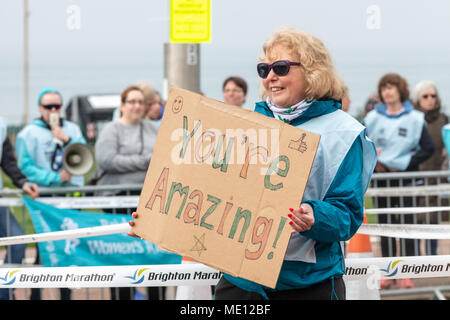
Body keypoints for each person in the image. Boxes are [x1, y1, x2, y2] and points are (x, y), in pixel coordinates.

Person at [129, 27, 377, 300]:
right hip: (242, 281)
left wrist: (315, 216)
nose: (271, 76)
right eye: (264, 69)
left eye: (281, 67)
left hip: (308, 282)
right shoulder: (246, 124)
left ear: (312, 70)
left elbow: (348, 214)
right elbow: (211, 194)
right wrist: (158, 218)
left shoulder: (344, 133)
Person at [364, 73, 434, 289]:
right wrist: (375, 162)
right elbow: (364, 145)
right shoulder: (373, 117)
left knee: (407, 227)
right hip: (383, 180)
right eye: (384, 88)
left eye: (391, 87)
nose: (387, 91)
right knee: (385, 228)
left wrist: (404, 162)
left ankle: (407, 274)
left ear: (400, 90)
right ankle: (387, 273)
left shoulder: (414, 118)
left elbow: (427, 148)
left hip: (407, 180)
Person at [15, 88, 87, 300]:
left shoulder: (72, 129)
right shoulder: (27, 134)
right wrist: (54, 178)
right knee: (42, 249)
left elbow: (83, 157)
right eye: (49, 106)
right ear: (40, 109)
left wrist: (66, 141)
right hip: (44, 200)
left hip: (69, 198)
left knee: (65, 248)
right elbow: (25, 167)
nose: (54, 110)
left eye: (57, 106)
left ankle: (66, 294)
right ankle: (35, 294)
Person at [95, 85, 159, 300]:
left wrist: (139, 162)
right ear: (122, 106)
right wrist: (143, 162)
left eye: (141, 102)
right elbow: (107, 160)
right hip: (116, 202)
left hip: (147, 201)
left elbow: (161, 158)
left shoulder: (153, 129)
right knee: (122, 259)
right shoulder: (111, 130)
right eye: (131, 101)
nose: (137, 106)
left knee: (151, 257)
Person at [0, 117, 39, 300]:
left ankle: (4, 293)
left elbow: (7, 161)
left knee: (18, 241)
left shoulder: (1, 125)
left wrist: (22, 181)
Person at [412, 80, 448, 256]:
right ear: (418, 99)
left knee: (433, 222)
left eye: (433, 95)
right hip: (416, 178)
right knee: (415, 222)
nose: (430, 99)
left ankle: (432, 261)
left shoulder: (444, 121)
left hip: (437, 178)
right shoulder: (412, 119)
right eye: (425, 96)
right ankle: (415, 263)